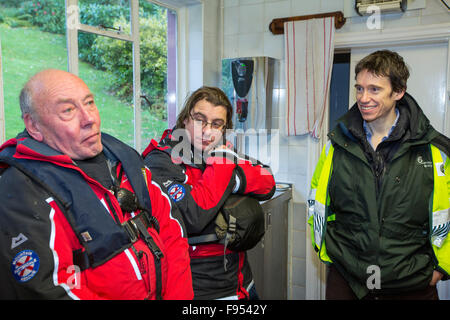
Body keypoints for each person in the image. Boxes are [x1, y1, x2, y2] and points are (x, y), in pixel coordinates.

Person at [0, 69, 193, 300]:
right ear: (34, 126)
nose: (89, 119)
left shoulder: (124, 159)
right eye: (68, 110)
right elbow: (48, 289)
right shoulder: (21, 189)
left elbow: (172, 234)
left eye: (89, 103)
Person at [308, 50, 450, 300]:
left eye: (374, 89)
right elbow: (318, 200)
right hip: (348, 279)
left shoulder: (434, 149)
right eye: (359, 88)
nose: (363, 98)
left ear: (398, 92)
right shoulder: (337, 143)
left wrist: (441, 268)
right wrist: (324, 249)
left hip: (412, 282)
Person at [142, 86, 276, 299]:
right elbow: (194, 216)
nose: (207, 131)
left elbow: (268, 181)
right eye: (199, 119)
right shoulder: (161, 161)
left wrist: (232, 179)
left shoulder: (219, 151)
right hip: (198, 290)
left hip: (242, 283)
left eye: (216, 124)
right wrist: (224, 166)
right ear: (185, 119)